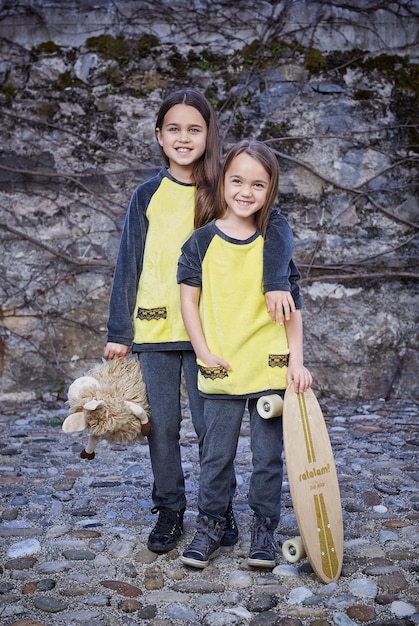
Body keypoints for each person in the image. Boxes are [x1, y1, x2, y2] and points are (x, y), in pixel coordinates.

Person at [104, 88, 299, 554]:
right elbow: (128, 262)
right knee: (163, 429)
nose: (184, 137)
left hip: (211, 334)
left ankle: (219, 512)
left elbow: (269, 232)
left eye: (194, 128)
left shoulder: (223, 190)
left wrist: (275, 282)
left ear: (210, 135)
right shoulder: (146, 195)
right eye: (174, 128)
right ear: (158, 135)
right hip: (154, 331)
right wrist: (118, 332)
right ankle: (170, 509)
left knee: (215, 432)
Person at [177, 139, 312, 569]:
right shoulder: (200, 243)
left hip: (269, 365)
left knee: (268, 458)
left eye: (258, 183)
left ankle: (264, 532)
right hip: (221, 365)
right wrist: (202, 351)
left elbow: (292, 308)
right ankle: (212, 526)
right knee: (216, 455)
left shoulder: (274, 244)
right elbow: (187, 303)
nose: (246, 191)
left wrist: (297, 361)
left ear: (270, 189)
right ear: (223, 182)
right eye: (237, 180)